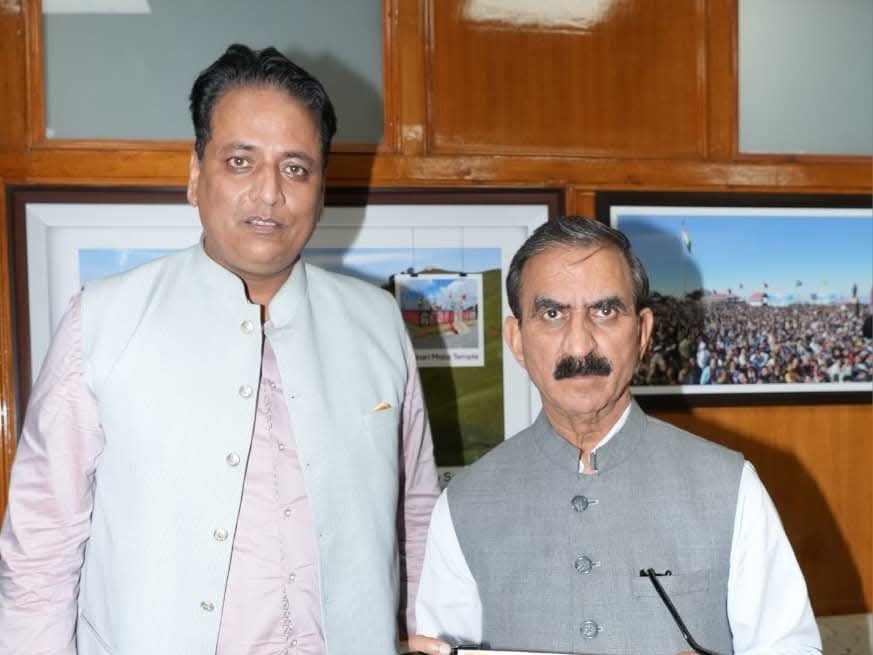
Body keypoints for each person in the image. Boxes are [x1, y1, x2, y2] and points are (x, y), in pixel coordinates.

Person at [0, 44, 440, 655]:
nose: (269, 193)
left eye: (296, 168)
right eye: (240, 162)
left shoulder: (377, 323)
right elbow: (41, 549)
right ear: (195, 175)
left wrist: (426, 630)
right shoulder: (102, 321)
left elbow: (416, 516)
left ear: (321, 190)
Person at [409, 216, 820, 655]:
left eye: (605, 312)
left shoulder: (731, 486)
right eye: (552, 314)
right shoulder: (463, 504)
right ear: (517, 339)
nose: (580, 346)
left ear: (642, 333)